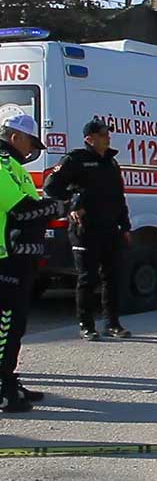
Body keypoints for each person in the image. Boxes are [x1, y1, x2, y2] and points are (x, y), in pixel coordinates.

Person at [43, 119, 132, 341]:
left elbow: (118, 197)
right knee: (87, 278)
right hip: (85, 229)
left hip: (110, 229)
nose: (107, 137)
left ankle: (112, 324)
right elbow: (50, 186)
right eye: (102, 134)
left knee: (112, 278)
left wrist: (125, 225)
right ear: (89, 139)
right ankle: (86, 325)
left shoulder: (111, 162)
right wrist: (73, 203)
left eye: (108, 133)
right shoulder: (75, 160)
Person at [0, 110, 64, 412]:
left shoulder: (14, 166)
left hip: (18, 258)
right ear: (15, 137)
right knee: (5, 327)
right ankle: (2, 387)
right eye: (31, 143)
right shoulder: (1, 165)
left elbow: (33, 210)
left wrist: (50, 207)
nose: (32, 151)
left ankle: (8, 378)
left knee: (16, 326)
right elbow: (22, 210)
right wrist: (58, 207)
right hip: (4, 259)